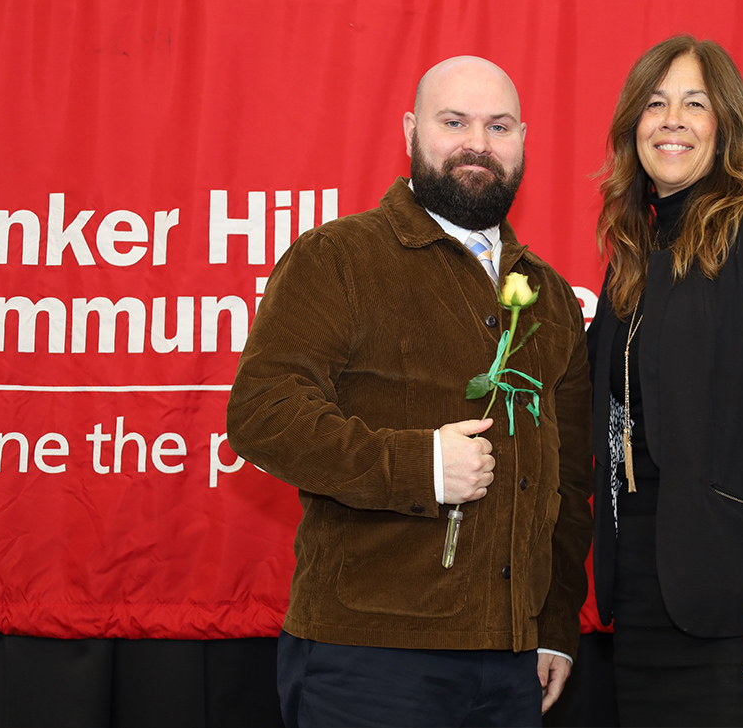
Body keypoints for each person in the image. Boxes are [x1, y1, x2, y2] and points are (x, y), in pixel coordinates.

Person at [227, 55, 593, 728]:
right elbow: (261, 414)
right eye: (453, 121)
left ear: (522, 139)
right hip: (367, 662)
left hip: (515, 665)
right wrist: (419, 465)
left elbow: (568, 481)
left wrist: (554, 624)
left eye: (498, 125)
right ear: (410, 130)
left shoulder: (552, 297)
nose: (477, 142)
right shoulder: (338, 257)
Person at [588, 34, 743, 727]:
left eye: (694, 103)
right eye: (655, 103)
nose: (671, 119)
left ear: (725, 125)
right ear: (631, 127)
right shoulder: (630, 264)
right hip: (641, 602)